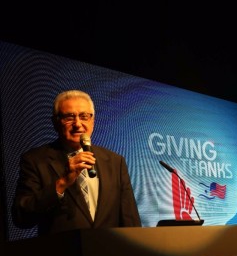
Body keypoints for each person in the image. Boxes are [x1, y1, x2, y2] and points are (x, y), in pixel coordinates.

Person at [11, 90, 141, 236]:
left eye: (84, 116)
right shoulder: (35, 160)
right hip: (64, 254)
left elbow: (130, 218)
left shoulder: (115, 161)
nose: (78, 124)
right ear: (55, 122)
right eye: (69, 117)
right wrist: (62, 182)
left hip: (111, 253)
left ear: (92, 121)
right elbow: (21, 217)